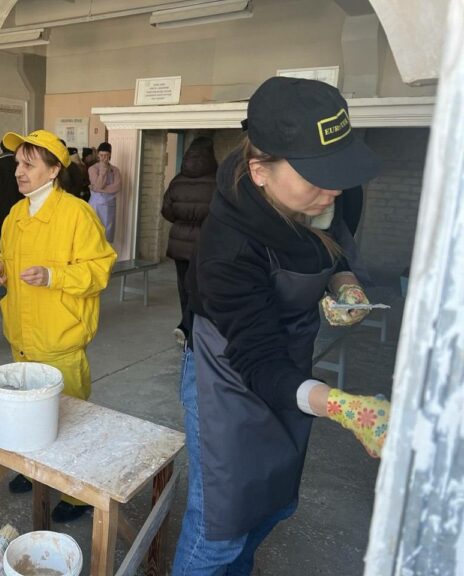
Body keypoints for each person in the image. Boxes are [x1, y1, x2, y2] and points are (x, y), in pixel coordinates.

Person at [172, 76, 392, 575]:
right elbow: (258, 360)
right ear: (259, 172)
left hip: (290, 363)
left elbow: (335, 249)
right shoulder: (228, 247)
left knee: (270, 507)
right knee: (220, 529)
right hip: (228, 376)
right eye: (317, 177)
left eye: (339, 171)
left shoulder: (331, 194)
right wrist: (343, 407)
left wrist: (345, 285)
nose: (333, 190)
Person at [0, 129, 117, 522]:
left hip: (60, 337)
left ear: (54, 170)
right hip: (22, 336)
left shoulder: (77, 214)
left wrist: (53, 275)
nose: (19, 172)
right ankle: (36, 473)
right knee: (31, 417)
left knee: (69, 420)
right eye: (18, 164)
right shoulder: (16, 214)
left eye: (29, 165)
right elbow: (6, 256)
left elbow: (99, 269)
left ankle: (78, 495)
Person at [161, 136, 217, 346]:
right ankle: (190, 327)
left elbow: (166, 210)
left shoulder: (177, 181)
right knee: (201, 287)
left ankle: (185, 325)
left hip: (179, 242)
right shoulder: (217, 182)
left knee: (184, 286)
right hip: (205, 243)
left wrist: (183, 222)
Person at [88, 142, 122, 242]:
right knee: (94, 232)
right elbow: (99, 185)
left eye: (106, 155)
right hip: (95, 205)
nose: (103, 158)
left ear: (110, 155)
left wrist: (97, 189)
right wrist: (103, 170)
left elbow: (117, 187)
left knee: (107, 234)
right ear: (98, 155)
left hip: (109, 205)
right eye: (101, 155)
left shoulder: (115, 170)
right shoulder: (93, 169)